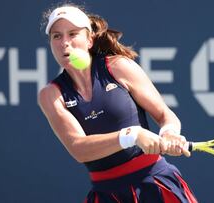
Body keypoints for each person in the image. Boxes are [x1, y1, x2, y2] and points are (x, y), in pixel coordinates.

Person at [39, 3, 197, 203]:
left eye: (72, 34)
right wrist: (132, 135)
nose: (64, 43)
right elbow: (78, 148)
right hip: (107, 195)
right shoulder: (51, 94)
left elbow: (165, 115)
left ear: (89, 40)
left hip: (156, 184)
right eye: (57, 36)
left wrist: (170, 133)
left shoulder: (119, 67)